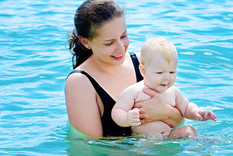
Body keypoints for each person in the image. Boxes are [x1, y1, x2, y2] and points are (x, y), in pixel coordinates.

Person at [65, 0, 183, 138]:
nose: (121, 48)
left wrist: (165, 112)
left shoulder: (141, 63)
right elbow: (93, 145)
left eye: (123, 36)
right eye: (109, 43)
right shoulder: (79, 82)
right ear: (86, 42)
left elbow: (180, 119)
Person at [111, 36, 217, 138]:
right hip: (144, 140)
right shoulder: (134, 91)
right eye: (159, 72)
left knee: (190, 131)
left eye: (171, 72)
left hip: (171, 135)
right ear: (143, 71)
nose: (166, 78)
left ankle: (201, 147)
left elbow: (186, 107)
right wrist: (126, 118)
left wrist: (197, 113)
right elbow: (117, 110)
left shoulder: (173, 92)